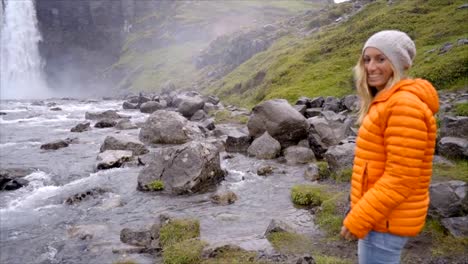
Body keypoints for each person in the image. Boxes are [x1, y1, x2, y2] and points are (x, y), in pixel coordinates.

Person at [340, 30, 439, 264]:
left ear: (399, 63)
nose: (371, 67)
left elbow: (401, 177)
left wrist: (359, 217)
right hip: (381, 217)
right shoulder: (386, 101)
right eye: (367, 59)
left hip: (385, 221)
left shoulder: (403, 106)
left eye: (381, 59)